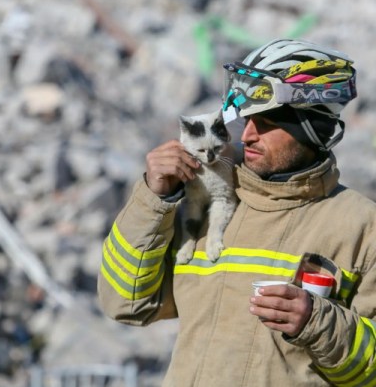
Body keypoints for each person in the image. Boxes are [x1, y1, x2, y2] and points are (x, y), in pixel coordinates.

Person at [97, 39, 376, 385]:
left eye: (267, 122)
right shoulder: (203, 204)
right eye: (246, 120)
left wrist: (317, 323)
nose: (247, 135)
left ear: (311, 129)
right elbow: (124, 302)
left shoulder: (362, 227)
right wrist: (154, 199)